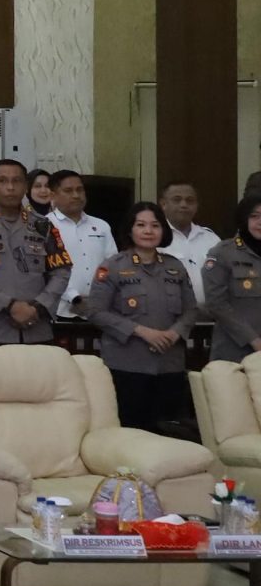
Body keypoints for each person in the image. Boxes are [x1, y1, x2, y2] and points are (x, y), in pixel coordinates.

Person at [86, 202, 197, 433]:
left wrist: (174, 333)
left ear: (163, 230)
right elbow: (96, 312)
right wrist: (142, 332)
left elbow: (191, 310)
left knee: (169, 432)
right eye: (141, 225)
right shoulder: (112, 266)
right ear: (130, 230)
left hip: (169, 364)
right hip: (127, 365)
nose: (148, 231)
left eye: (155, 225)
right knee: (130, 432)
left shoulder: (175, 267)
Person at [0, 160, 69, 343]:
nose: (10, 187)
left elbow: (61, 271)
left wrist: (38, 307)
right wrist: (9, 306)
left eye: (17, 181)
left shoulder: (42, 225)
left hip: (36, 330)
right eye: (2, 181)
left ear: (25, 186)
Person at [46, 171, 117, 316]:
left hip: (99, 309)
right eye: (68, 191)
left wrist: (99, 295)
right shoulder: (44, 225)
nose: (76, 195)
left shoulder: (101, 225)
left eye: (80, 190)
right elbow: (46, 271)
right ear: (53, 196)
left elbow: (111, 265)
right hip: (59, 310)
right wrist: (74, 298)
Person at [201, 196, 261, 366]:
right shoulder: (223, 253)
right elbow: (216, 303)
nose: (260, 222)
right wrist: (253, 339)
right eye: (254, 216)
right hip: (234, 352)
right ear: (244, 218)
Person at [157, 183, 219, 301]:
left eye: (190, 200)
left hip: (210, 311)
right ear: (163, 204)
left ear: (196, 205)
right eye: (177, 200)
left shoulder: (211, 238)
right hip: (170, 311)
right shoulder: (155, 238)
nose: (184, 205)